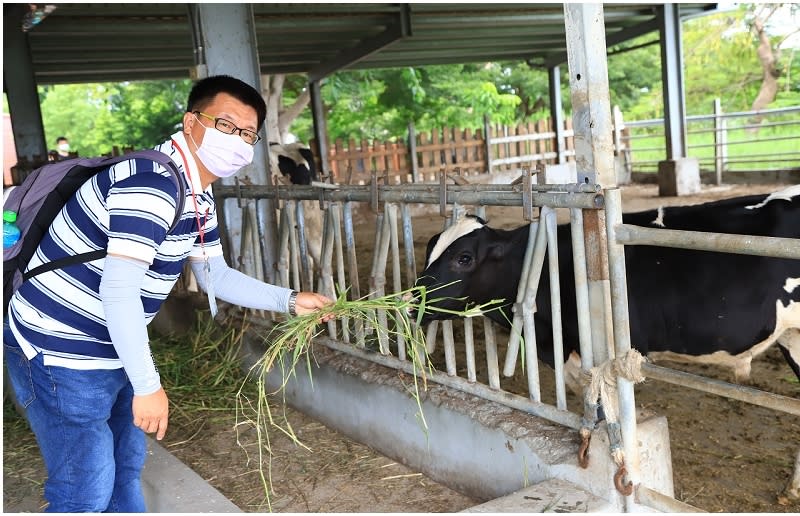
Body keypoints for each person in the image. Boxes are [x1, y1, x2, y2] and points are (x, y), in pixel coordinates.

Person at [4, 75, 334, 512]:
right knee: (84, 488)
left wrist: (290, 300)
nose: (238, 140)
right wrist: (148, 385)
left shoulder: (195, 193)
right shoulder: (152, 182)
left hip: (113, 345)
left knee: (124, 468)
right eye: (227, 124)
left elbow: (214, 275)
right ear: (191, 121)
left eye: (249, 134)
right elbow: (119, 290)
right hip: (60, 349)